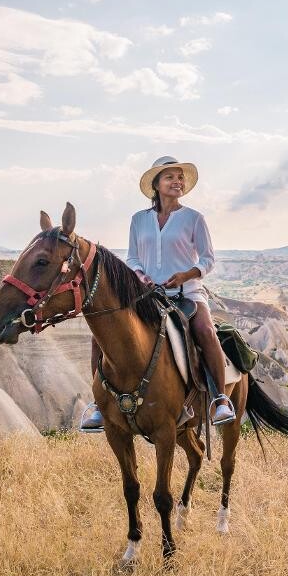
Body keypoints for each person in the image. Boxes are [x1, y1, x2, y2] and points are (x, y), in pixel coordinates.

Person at [80, 155, 235, 431]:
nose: (177, 181)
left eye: (180, 177)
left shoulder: (194, 219)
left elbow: (208, 259)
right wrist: (140, 276)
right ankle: (99, 405)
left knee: (206, 332)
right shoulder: (139, 220)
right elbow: (133, 258)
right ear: (156, 185)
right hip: (146, 296)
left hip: (187, 293)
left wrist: (186, 275)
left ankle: (220, 399)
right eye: (170, 177)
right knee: (99, 337)